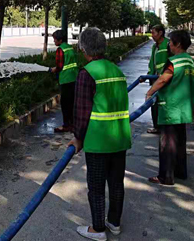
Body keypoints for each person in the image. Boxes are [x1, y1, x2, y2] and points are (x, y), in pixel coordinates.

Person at [68, 28, 131, 240]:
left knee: (96, 187)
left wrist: (78, 137)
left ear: (83, 49)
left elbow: (81, 111)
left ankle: (97, 229)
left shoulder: (87, 73)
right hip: (119, 138)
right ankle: (114, 222)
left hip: (98, 140)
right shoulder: (116, 70)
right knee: (116, 183)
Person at [145, 29, 194, 186]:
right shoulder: (189, 61)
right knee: (180, 142)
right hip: (183, 108)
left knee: (167, 143)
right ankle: (180, 172)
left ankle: (166, 176)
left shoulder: (175, 62)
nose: (169, 45)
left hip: (171, 108)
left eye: (171, 42)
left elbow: (163, 79)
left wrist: (150, 92)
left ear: (178, 44)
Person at [49, 30, 78, 133]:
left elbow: (60, 66)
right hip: (74, 77)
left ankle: (66, 126)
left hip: (65, 79)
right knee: (72, 102)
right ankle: (73, 124)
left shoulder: (60, 50)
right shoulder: (70, 47)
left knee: (65, 104)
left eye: (55, 39)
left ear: (60, 40)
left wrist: (54, 70)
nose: (54, 41)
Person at [145, 24, 170, 134]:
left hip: (165, 79)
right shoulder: (155, 47)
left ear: (160, 33)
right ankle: (157, 126)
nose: (152, 35)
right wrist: (149, 75)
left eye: (153, 33)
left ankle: (165, 127)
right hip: (155, 79)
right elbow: (152, 62)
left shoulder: (168, 44)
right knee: (154, 103)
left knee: (163, 103)